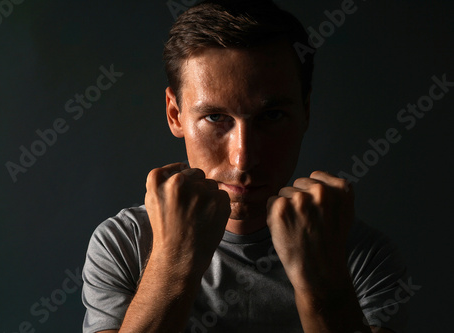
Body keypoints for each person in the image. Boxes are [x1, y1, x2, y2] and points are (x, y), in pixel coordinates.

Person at [82, 1, 407, 332]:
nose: (244, 157)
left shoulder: (359, 254)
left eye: (271, 116)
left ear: (304, 112)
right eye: (215, 117)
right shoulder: (124, 243)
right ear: (175, 114)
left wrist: (321, 284)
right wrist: (173, 264)